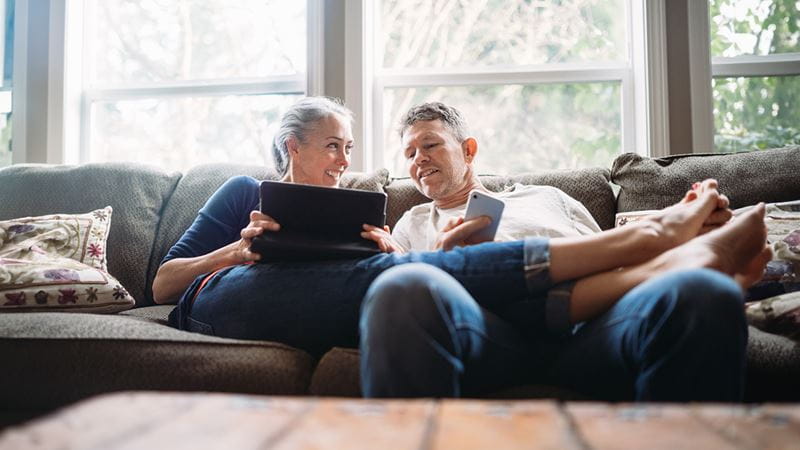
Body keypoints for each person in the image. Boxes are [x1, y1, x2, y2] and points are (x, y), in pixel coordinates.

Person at [357, 102, 764, 401]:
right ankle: (666, 247)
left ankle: (672, 256)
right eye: (409, 154)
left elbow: (611, 266)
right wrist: (411, 258)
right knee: (405, 283)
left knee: (701, 290)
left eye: (429, 144)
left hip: (588, 333)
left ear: (468, 150)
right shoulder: (411, 223)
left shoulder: (548, 198)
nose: (419, 159)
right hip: (490, 336)